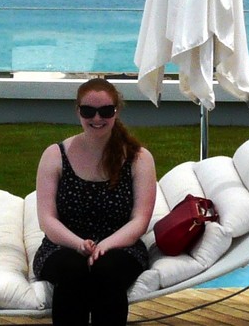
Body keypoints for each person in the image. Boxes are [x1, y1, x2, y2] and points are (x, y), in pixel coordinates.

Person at [33, 77, 157, 325]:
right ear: (78, 111)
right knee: (72, 270)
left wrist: (105, 246)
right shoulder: (55, 155)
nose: (97, 118)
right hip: (63, 245)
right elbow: (47, 219)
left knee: (107, 271)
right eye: (89, 111)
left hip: (121, 246)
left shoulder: (138, 158)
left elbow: (140, 220)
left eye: (106, 111)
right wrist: (79, 245)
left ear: (116, 111)